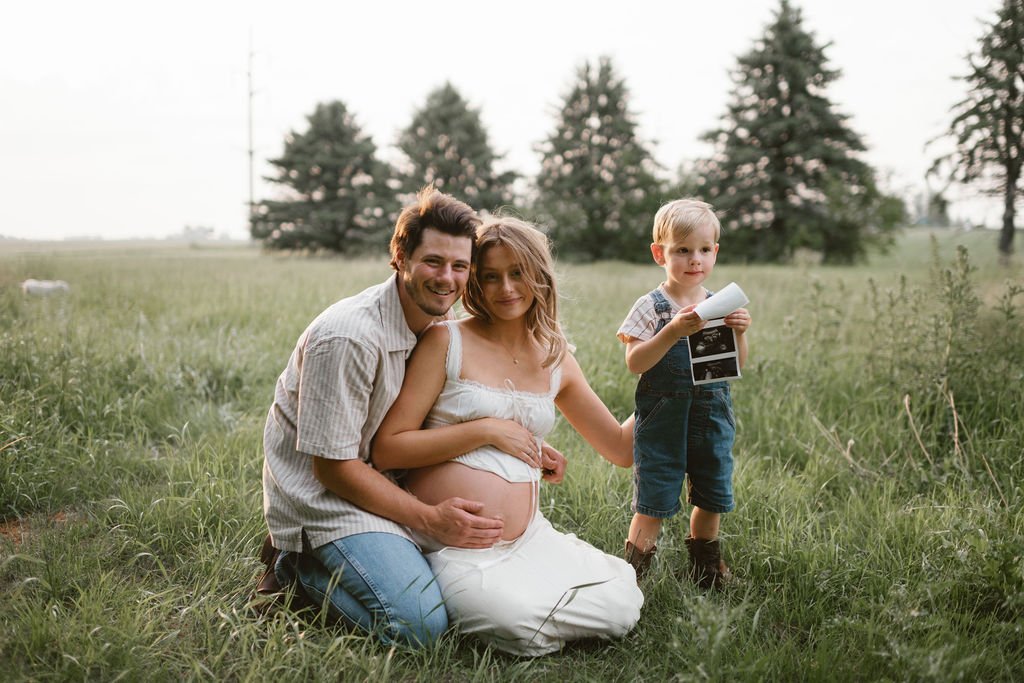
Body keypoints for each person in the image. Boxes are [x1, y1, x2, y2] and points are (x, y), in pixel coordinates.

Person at [257, 187, 558, 648]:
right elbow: (333, 469)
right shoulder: (349, 338)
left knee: (471, 601)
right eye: (433, 262)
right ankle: (296, 567)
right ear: (400, 257)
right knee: (422, 627)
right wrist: (429, 519)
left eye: (460, 266)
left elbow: (442, 415)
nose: (447, 278)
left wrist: (516, 438)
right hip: (330, 503)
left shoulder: (439, 322)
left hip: (390, 484)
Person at [372, 216, 643, 657]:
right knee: (513, 619)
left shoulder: (554, 356)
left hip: (528, 537)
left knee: (622, 604)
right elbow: (388, 449)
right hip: (452, 543)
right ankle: (520, 614)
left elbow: (619, 447)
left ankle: (536, 610)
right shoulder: (446, 341)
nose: (506, 288)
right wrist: (486, 430)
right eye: (491, 276)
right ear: (475, 282)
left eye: (518, 273)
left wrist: (665, 388)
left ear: (539, 275)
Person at [616, 198, 752, 589]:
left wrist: (739, 333)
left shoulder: (718, 304)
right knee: (654, 501)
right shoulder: (651, 307)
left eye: (704, 250)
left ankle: (705, 568)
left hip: (711, 417)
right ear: (659, 254)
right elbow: (636, 362)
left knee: (712, 496)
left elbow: (734, 366)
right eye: (682, 250)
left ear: (715, 252)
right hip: (664, 421)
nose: (695, 260)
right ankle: (632, 577)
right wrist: (672, 330)